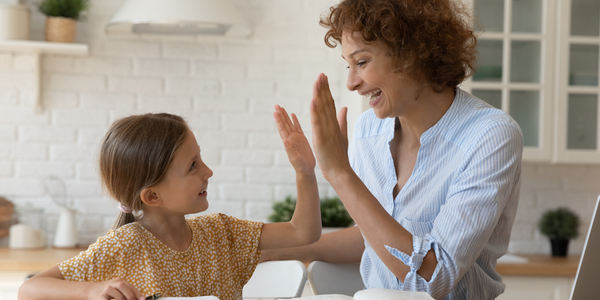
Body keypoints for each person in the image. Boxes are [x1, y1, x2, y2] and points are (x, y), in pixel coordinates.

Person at [261, 0, 523, 299]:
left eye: (361, 62)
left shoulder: (490, 135)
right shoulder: (367, 130)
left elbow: (432, 279)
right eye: (349, 65)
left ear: (412, 54)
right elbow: (375, 237)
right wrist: (277, 251)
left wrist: (339, 173)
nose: (351, 83)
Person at [18, 110, 321, 300]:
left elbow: (301, 233)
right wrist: (90, 290)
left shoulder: (221, 231)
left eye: (200, 158)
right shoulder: (123, 247)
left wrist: (304, 172)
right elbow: (29, 290)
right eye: (192, 165)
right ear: (152, 197)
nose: (208, 171)